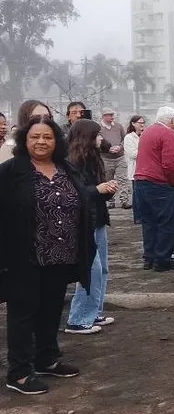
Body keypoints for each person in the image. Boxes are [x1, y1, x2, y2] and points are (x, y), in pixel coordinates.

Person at [0, 115, 101, 395]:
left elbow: (83, 203)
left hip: (62, 254)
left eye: (47, 137)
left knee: (51, 309)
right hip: (24, 256)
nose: (41, 142)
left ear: (57, 141)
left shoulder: (67, 169)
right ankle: (19, 372)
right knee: (23, 313)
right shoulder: (11, 172)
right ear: (24, 140)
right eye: (35, 137)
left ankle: (46, 358)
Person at [65, 119, 119, 335]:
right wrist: (98, 189)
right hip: (82, 223)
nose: (101, 139)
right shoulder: (71, 162)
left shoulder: (94, 159)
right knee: (91, 270)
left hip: (97, 220)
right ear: (87, 137)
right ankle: (78, 319)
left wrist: (108, 189)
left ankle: (93, 310)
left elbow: (96, 192)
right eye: (97, 135)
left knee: (102, 270)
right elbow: (73, 194)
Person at [134, 106, 174, 272]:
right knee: (166, 223)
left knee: (148, 223)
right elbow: (169, 164)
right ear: (172, 121)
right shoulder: (168, 134)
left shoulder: (147, 132)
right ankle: (162, 260)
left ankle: (149, 258)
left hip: (140, 181)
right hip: (159, 184)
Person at [99, 108, 128, 209]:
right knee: (108, 180)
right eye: (109, 115)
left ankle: (124, 200)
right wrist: (108, 149)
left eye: (112, 115)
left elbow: (125, 139)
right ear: (104, 116)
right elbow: (96, 143)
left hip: (120, 157)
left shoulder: (118, 126)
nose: (112, 117)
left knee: (123, 179)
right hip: (106, 159)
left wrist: (120, 147)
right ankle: (110, 201)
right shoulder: (99, 128)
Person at [122, 115, 145, 211]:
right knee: (136, 194)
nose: (142, 125)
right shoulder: (129, 137)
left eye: (143, 123)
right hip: (135, 168)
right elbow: (132, 154)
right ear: (133, 124)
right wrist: (146, 151)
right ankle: (138, 216)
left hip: (145, 168)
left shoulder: (145, 135)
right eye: (140, 123)